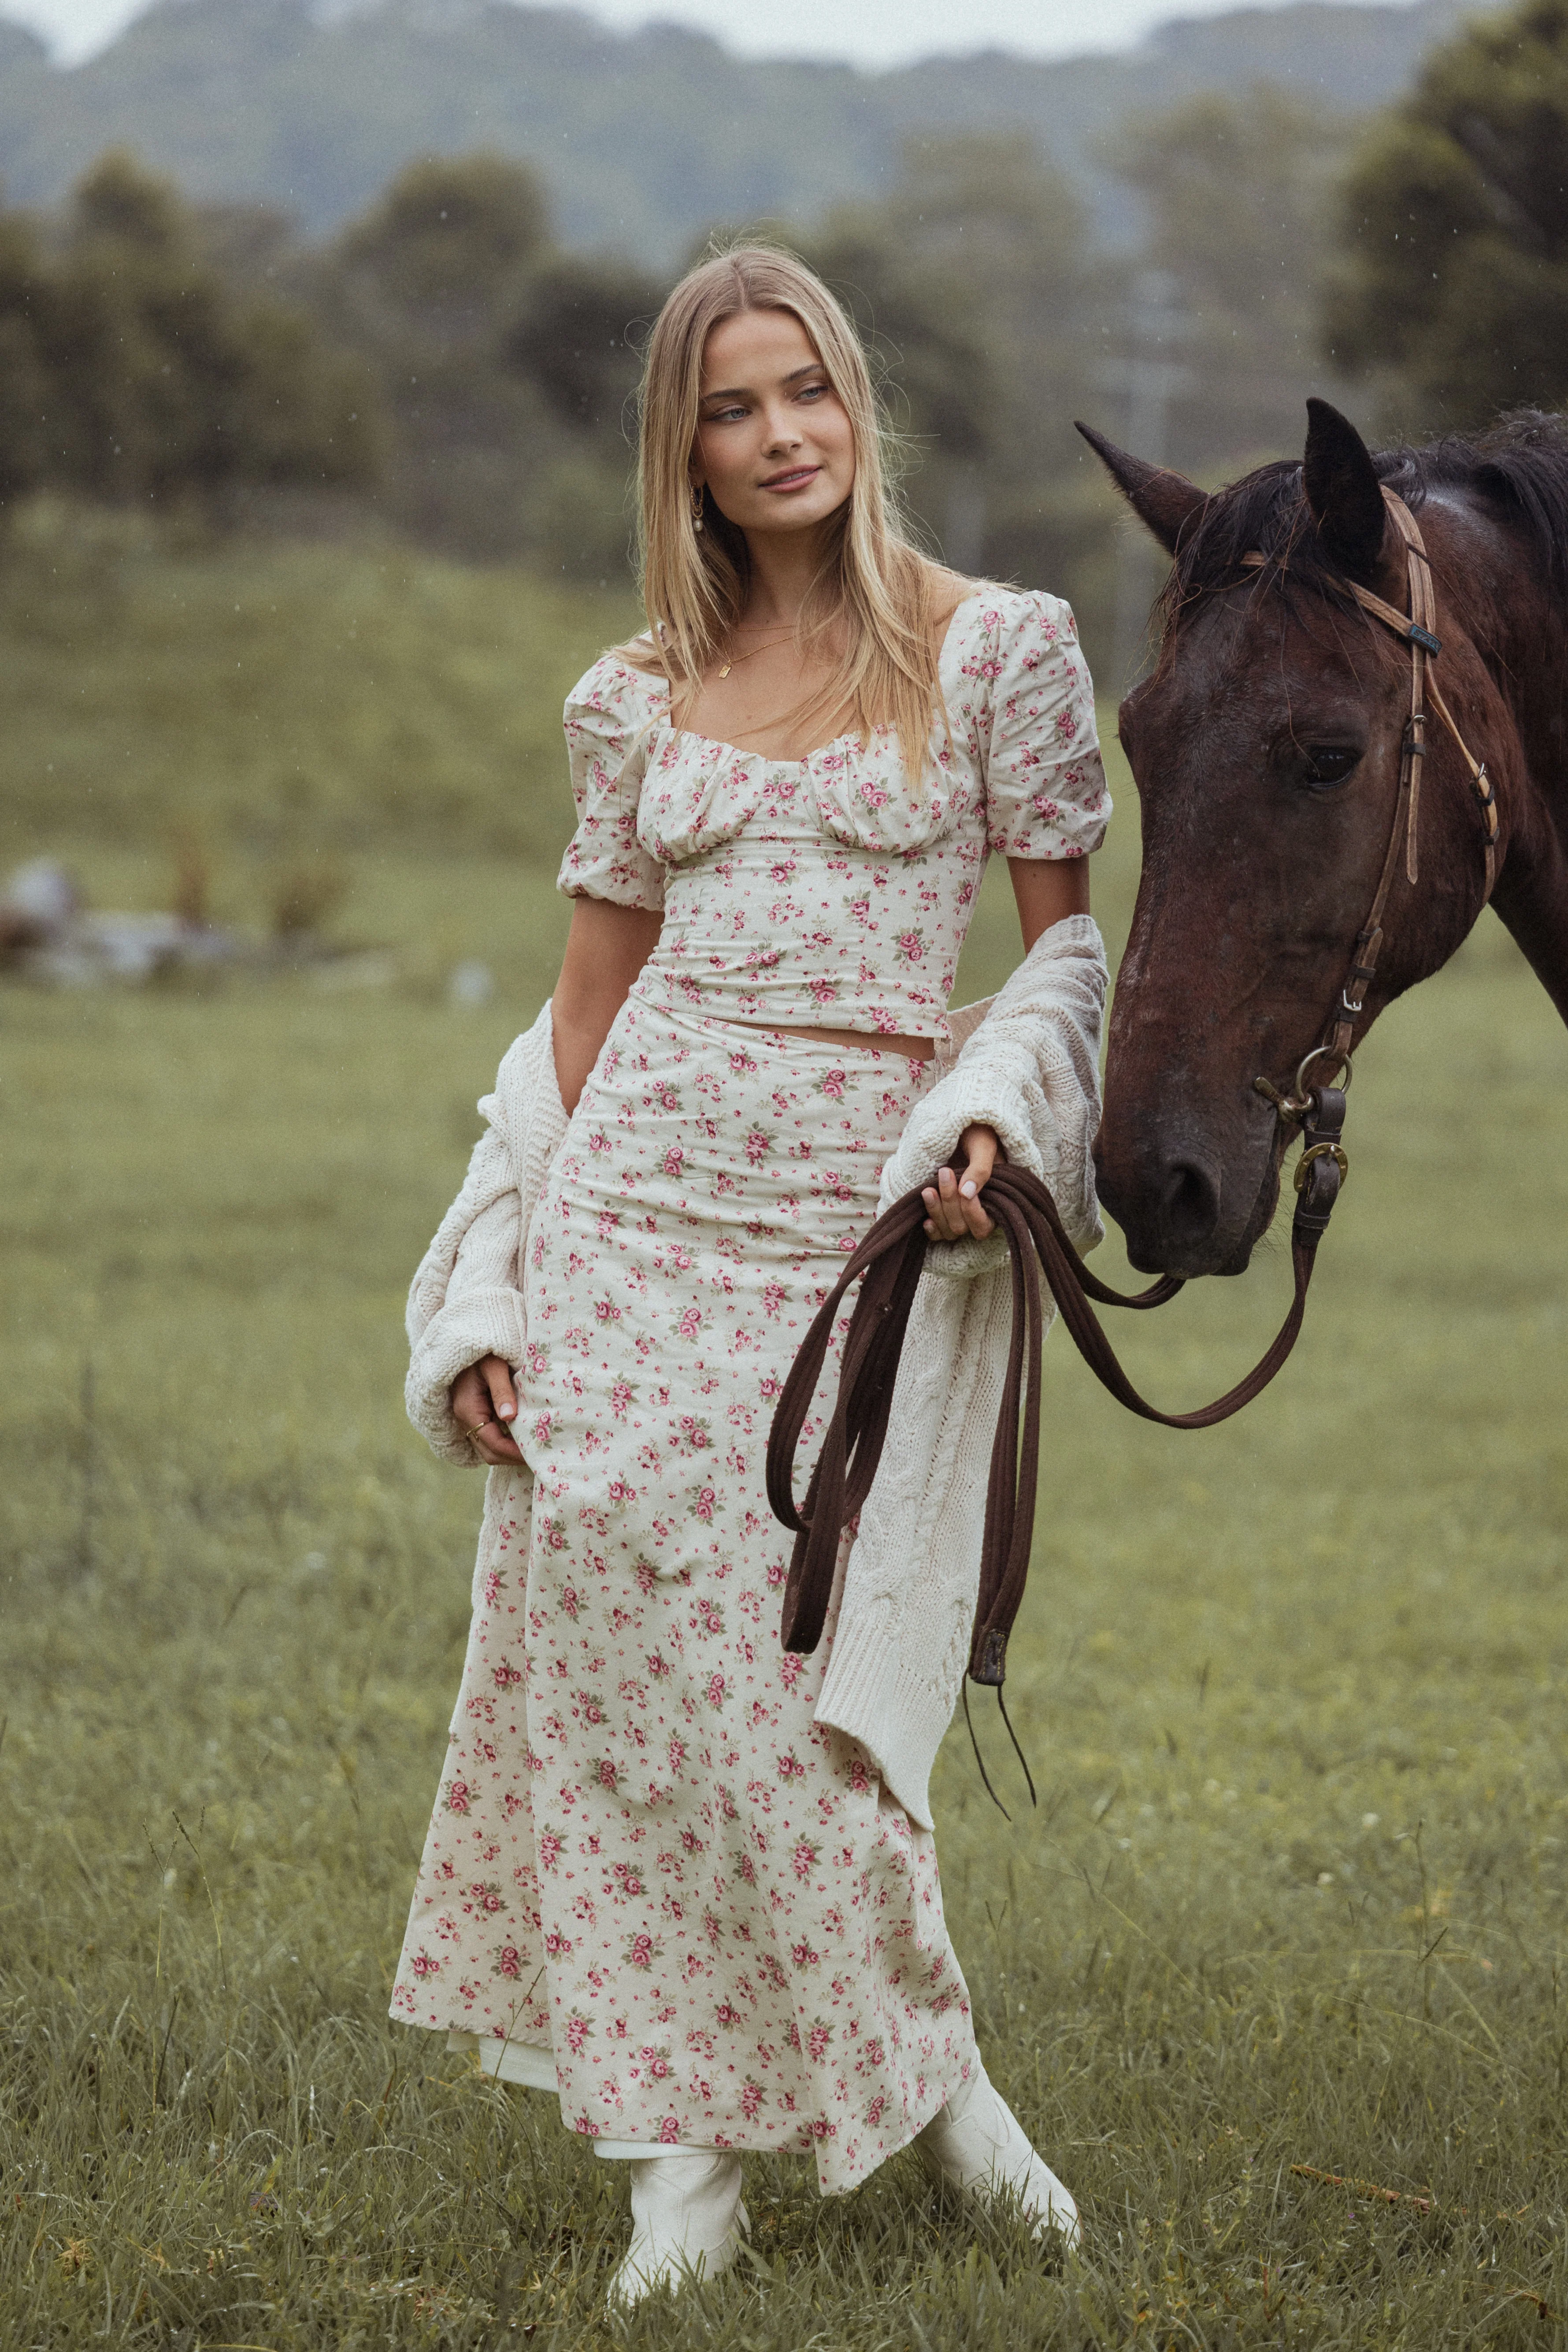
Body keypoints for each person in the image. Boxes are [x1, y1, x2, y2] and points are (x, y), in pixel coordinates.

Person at [392, 244, 1111, 2308]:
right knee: (611, 1684)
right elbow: (581, 1020)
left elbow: (1063, 953)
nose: (781, 432)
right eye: (733, 406)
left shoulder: (1005, 651)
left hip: (849, 1236)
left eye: (807, 390)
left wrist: (988, 1116)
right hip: (632, 1223)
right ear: (681, 450)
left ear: (857, 399)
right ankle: (675, 2161)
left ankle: (939, 2079)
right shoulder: (629, 699)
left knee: (809, 1700)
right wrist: (498, 1271)